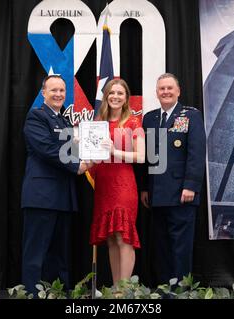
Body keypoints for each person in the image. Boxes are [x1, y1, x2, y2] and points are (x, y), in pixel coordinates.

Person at [21, 74, 91, 295]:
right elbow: (47, 149)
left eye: (62, 91)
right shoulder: (36, 117)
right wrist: (77, 165)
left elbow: (68, 147)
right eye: (54, 90)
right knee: (36, 252)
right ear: (44, 93)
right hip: (41, 195)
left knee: (60, 252)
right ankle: (33, 293)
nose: (58, 94)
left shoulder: (64, 121)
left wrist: (97, 146)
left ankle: (61, 292)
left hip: (63, 196)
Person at [140, 73, 206, 284]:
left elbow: (196, 153)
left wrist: (191, 186)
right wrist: (144, 187)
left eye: (170, 88)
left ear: (178, 91)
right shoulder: (149, 118)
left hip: (181, 192)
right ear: (157, 92)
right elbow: (147, 156)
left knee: (181, 244)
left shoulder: (191, 116)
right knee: (160, 244)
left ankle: (180, 289)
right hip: (157, 193)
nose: (166, 92)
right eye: (162, 89)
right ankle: (162, 286)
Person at [89, 78, 145, 286]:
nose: (115, 96)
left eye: (120, 93)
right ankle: (115, 289)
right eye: (112, 93)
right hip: (103, 183)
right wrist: (80, 144)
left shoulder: (133, 122)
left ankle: (125, 290)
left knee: (123, 236)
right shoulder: (98, 122)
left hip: (123, 183)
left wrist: (114, 151)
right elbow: (91, 154)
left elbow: (141, 156)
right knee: (111, 238)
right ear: (106, 96)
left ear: (126, 98)